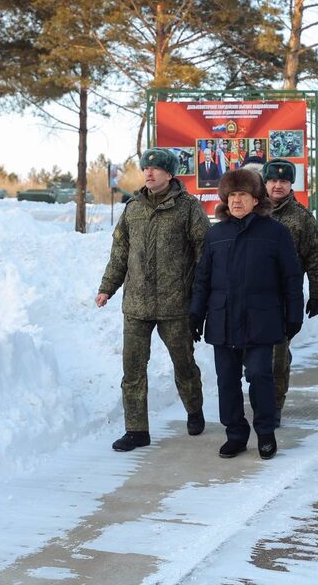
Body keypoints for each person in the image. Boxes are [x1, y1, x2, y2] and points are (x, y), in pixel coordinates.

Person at [95, 148, 211, 452]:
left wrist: (202, 298)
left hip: (176, 305)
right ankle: (136, 430)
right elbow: (120, 253)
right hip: (136, 305)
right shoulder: (132, 208)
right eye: (146, 168)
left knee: (184, 365)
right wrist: (108, 287)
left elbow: (204, 256)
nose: (149, 173)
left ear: (170, 174)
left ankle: (194, 410)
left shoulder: (189, 208)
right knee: (132, 370)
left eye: (156, 169)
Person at [189, 168, 304, 460]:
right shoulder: (215, 235)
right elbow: (203, 279)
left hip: (260, 319)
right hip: (222, 319)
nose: (236, 201)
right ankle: (236, 434)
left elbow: (291, 276)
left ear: (256, 199)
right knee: (226, 380)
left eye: (243, 194)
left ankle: (265, 433)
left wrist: (294, 314)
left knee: (259, 375)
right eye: (232, 195)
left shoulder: (275, 232)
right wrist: (195, 315)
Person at [262, 158, 318, 427]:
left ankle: (273, 406)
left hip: (283, 300)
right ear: (265, 183)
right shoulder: (252, 212)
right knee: (252, 358)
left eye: (284, 181)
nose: (278, 186)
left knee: (278, 358)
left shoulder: (302, 219)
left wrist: (317, 293)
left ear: (291, 185)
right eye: (273, 180)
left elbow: (316, 257)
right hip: (249, 299)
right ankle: (259, 400)